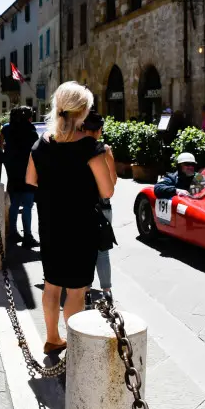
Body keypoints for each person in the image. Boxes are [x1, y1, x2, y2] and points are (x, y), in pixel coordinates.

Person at [27, 82, 114, 354]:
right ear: (83, 111)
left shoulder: (41, 145)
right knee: (76, 290)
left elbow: (31, 181)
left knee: (52, 284)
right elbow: (107, 190)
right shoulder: (91, 148)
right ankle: (74, 345)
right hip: (80, 227)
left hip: (51, 224)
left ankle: (52, 338)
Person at [81, 109, 117, 297]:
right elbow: (112, 181)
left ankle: (85, 291)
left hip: (80, 206)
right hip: (102, 206)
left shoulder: (74, 148)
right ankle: (107, 291)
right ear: (99, 130)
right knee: (102, 251)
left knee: (83, 251)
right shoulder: (104, 149)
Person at [1, 106, 39, 247]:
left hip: (12, 170)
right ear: (28, 117)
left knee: (15, 203)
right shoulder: (31, 131)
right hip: (27, 170)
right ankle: (28, 236)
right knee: (28, 204)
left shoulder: (7, 129)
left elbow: (2, 146)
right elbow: (35, 151)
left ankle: (13, 233)